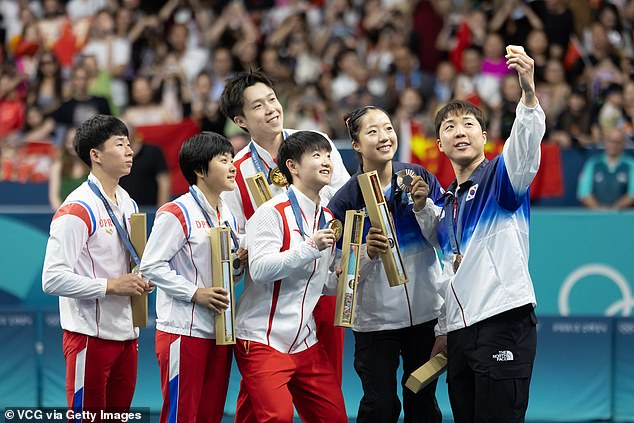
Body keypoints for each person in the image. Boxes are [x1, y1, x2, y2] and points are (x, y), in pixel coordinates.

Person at [419, 47, 545, 423]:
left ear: (485, 137)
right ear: (439, 145)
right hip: (459, 334)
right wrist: (444, 329)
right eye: (449, 127)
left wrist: (528, 93)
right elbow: (448, 273)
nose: (460, 131)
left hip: (502, 320)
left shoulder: (502, 178)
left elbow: (524, 146)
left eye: (468, 124)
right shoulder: (445, 206)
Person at [218, 70, 350, 416]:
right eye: (258, 106)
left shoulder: (316, 143)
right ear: (240, 120)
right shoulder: (238, 168)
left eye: (272, 100)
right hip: (271, 289)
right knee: (264, 394)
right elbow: (234, 231)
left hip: (322, 282)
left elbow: (344, 200)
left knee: (325, 382)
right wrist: (270, 239)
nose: (271, 110)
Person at [328, 106, 444, 423]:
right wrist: (367, 253)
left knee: (421, 402)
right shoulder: (345, 201)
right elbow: (334, 274)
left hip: (425, 316)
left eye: (388, 128)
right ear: (356, 144)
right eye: (373, 131)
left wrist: (423, 207)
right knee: (380, 407)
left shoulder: (420, 180)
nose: (384, 137)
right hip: (375, 325)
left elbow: (445, 240)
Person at [42, 114, 152, 414]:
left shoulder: (128, 201)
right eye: (120, 144)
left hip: (127, 335)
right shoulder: (76, 209)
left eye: (129, 144)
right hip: (89, 337)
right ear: (96, 155)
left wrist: (140, 276)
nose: (130, 151)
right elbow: (51, 279)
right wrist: (111, 286)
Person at [234, 131, 347, 423]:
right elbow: (259, 270)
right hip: (261, 339)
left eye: (327, 155)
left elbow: (322, 284)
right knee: (277, 418)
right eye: (316, 155)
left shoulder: (327, 218)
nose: (326, 161)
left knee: (334, 417)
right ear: (293, 167)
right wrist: (308, 247)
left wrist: (352, 269)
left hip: (303, 341)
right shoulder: (270, 213)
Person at [140, 132, 247, 423]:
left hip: (220, 331)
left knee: (210, 415)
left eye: (232, 159)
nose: (232, 166)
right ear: (200, 170)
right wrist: (195, 293)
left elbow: (228, 273)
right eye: (223, 160)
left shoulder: (230, 215)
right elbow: (150, 266)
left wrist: (239, 264)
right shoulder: (176, 212)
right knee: (181, 415)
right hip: (182, 333)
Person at [577, 126, 634, 210]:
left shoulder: (631, 164)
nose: (613, 145)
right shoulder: (593, 164)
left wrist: (615, 209)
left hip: (623, 218)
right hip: (596, 217)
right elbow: (584, 193)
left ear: (623, 144)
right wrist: (599, 210)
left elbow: (632, 195)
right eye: (610, 141)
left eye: (617, 142)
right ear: (605, 142)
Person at [119, 125, 171, 208]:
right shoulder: (115, 156)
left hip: (150, 209)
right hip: (123, 209)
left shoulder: (152, 152)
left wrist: (162, 209)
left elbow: (164, 181)